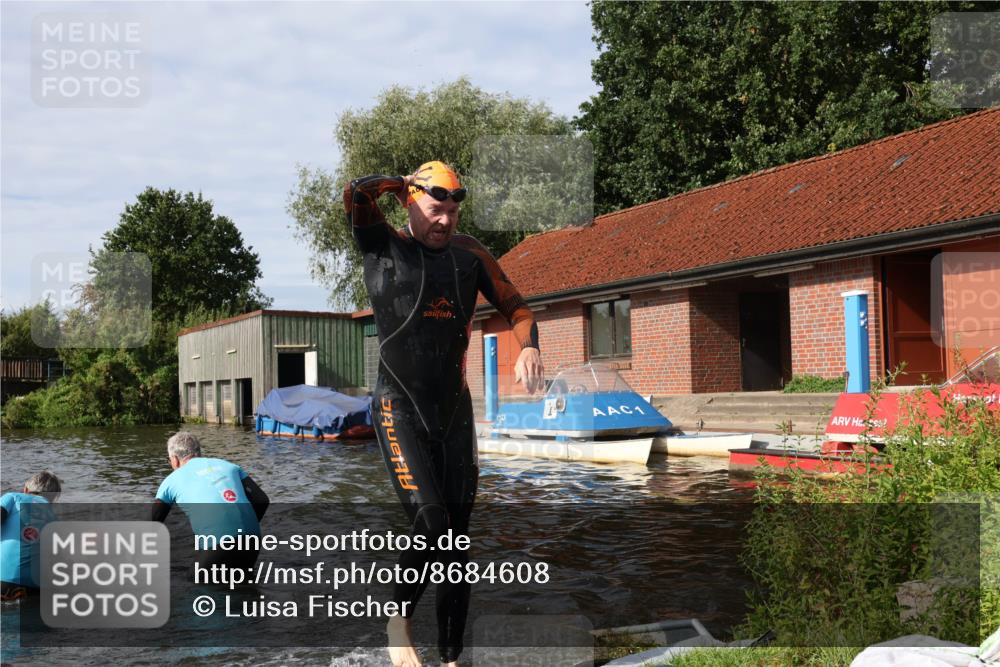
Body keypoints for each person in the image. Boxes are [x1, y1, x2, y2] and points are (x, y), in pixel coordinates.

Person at [344, 161, 544, 667]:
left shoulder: (470, 255)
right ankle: (397, 619)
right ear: (410, 203)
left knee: (456, 546)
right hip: (398, 407)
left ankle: (452, 660)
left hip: (454, 411)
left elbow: (518, 309)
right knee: (431, 524)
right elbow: (355, 198)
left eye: (453, 211)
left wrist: (528, 348)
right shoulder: (383, 245)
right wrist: (391, 184)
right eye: (436, 209)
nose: (446, 221)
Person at [152, 432, 269, 569]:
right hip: (252, 538)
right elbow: (262, 500)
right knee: (243, 581)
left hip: (218, 542)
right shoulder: (228, 465)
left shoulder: (171, 480)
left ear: (175, 459)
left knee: (198, 586)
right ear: (198, 452)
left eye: (169, 460)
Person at [1, 471, 61, 600]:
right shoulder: (54, 519)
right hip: (35, 588)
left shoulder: (12, 497)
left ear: (26, 489)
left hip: (4, 581)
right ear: (53, 498)